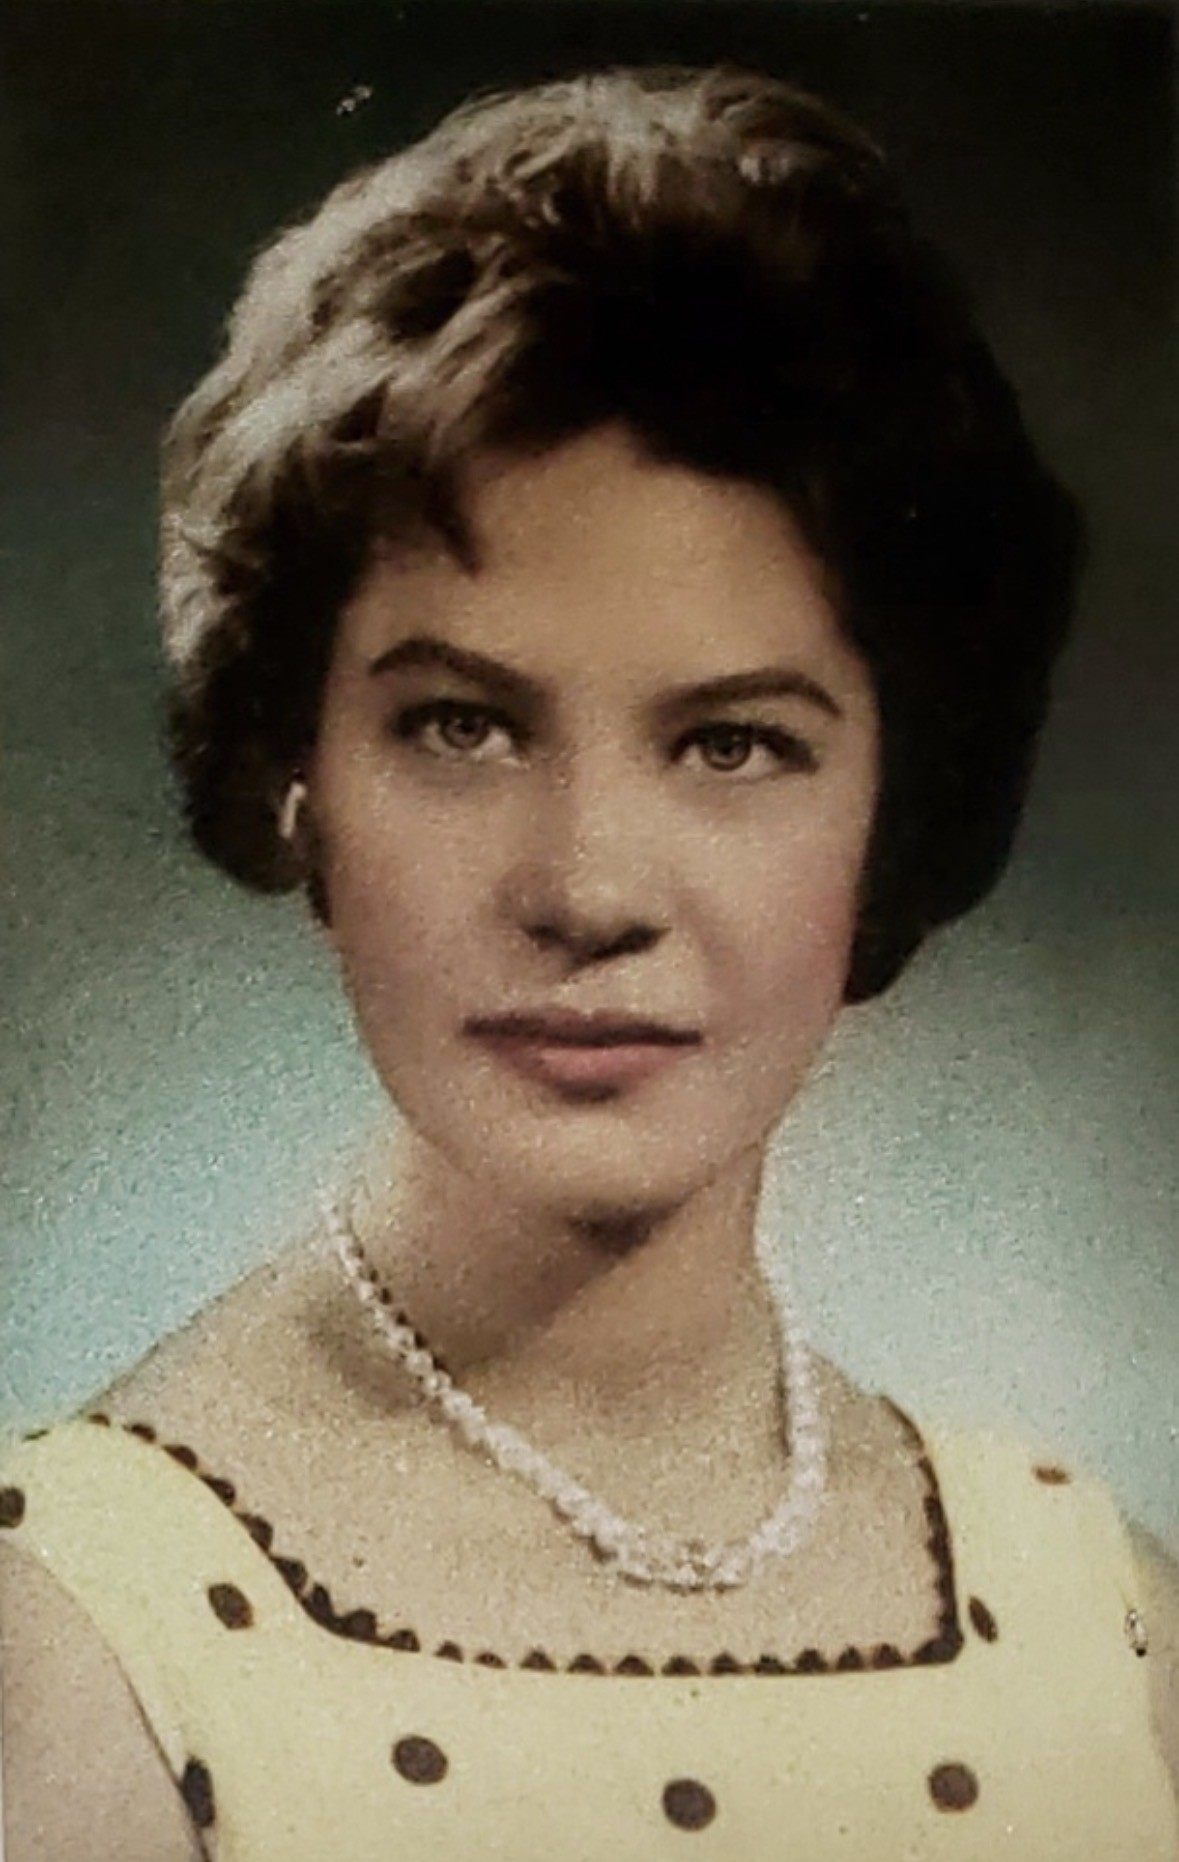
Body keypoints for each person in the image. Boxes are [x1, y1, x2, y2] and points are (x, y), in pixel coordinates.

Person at [1, 63, 1176, 1861]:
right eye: (462, 726)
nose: (588, 888)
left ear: (896, 806)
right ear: (295, 774)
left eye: (733, 744)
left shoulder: (1099, 1620)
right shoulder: (78, 1633)